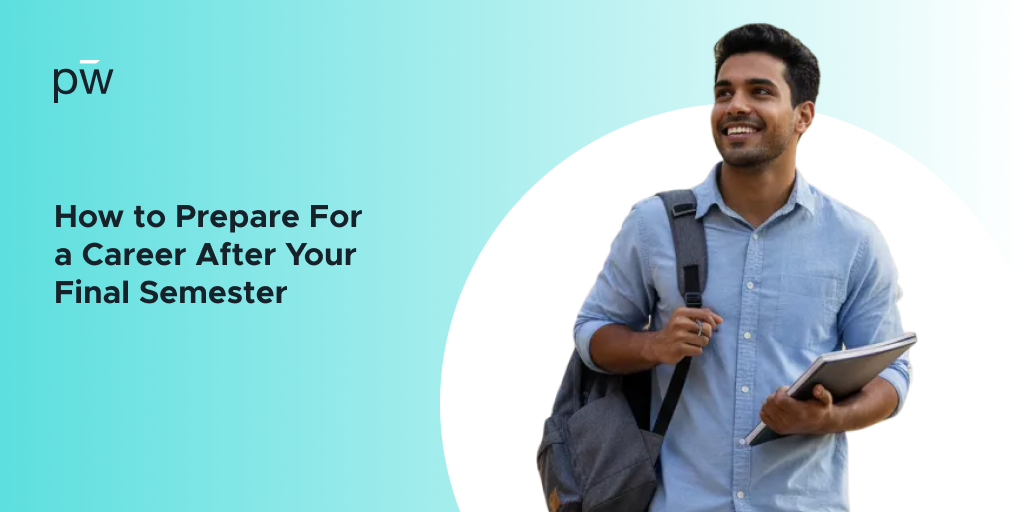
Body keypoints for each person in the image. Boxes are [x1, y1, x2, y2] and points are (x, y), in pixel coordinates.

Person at [574, 23, 911, 512]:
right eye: (723, 92)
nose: (735, 106)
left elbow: (892, 372)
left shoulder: (855, 241)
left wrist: (827, 419)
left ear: (803, 116)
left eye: (760, 92)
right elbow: (591, 334)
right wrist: (654, 345)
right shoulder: (654, 225)